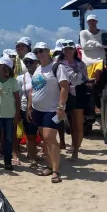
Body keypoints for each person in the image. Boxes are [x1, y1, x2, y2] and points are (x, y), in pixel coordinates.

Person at [28, 42, 69, 183]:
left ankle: (56, 171)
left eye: (41, 51)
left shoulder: (58, 67)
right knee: (45, 140)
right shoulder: (38, 69)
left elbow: (64, 87)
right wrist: (29, 107)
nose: (39, 54)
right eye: (36, 52)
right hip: (37, 110)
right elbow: (33, 90)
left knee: (49, 137)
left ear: (48, 51)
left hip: (52, 109)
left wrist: (61, 105)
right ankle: (49, 166)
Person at [55, 40, 88, 160]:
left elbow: (85, 78)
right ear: (63, 50)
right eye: (66, 49)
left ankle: (76, 151)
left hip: (78, 93)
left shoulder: (81, 63)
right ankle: (59, 145)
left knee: (78, 124)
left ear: (74, 50)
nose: (68, 51)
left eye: (70, 48)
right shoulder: (57, 63)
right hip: (62, 93)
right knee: (60, 122)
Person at [18, 52, 40, 168]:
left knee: (45, 135)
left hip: (42, 108)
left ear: (36, 62)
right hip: (26, 108)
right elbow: (18, 95)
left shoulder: (43, 74)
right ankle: (32, 158)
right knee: (30, 135)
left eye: (30, 61)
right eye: (26, 62)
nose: (28, 64)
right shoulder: (21, 78)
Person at [80, 14, 107, 79]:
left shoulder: (104, 32)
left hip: (100, 60)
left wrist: (89, 43)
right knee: (90, 80)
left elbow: (106, 45)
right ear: (87, 22)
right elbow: (84, 46)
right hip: (87, 61)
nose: (92, 22)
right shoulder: (83, 33)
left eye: (93, 21)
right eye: (90, 21)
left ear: (96, 21)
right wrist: (97, 44)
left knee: (98, 73)